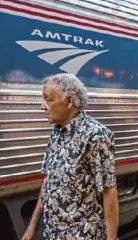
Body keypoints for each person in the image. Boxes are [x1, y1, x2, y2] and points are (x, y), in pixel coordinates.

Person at [21, 73, 118, 240]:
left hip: (83, 235)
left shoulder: (96, 136)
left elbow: (109, 192)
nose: (42, 106)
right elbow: (49, 181)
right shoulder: (57, 132)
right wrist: (32, 228)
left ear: (69, 101)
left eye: (48, 99)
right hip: (53, 233)